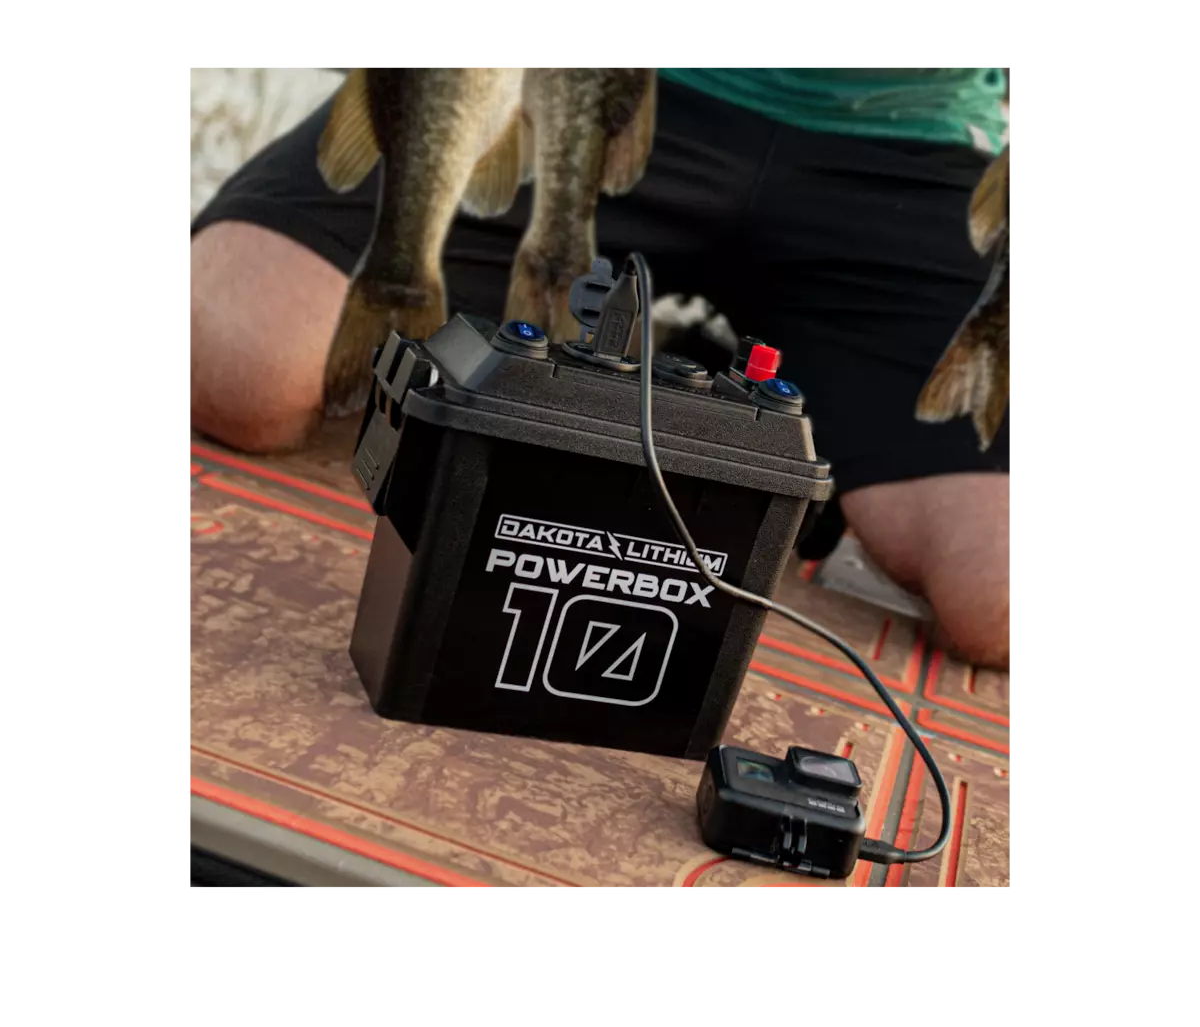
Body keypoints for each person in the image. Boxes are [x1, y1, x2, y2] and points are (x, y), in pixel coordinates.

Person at [187, 64, 1015, 670]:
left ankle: (716, 407)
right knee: (239, 361)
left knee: (998, 602)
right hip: (578, 85)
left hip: (911, 146)